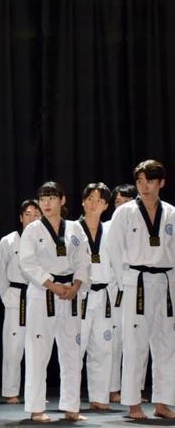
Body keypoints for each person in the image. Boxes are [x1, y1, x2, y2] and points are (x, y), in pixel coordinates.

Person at [105, 160, 175, 420]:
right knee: (135, 345)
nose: (143, 186)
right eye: (139, 181)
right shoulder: (125, 213)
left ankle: (162, 402)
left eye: (149, 181)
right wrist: (126, 279)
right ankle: (133, 403)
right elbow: (112, 248)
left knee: (166, 344)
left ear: (161, 183)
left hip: (166, 283)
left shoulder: (171, 213)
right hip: (137, 281)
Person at [19, 181, 89, 422]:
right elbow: (27, 263)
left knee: (72, 351)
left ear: (63, 200)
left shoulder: (75, 229)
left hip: (69, 293)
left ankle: (71, 407)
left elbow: (83, 260)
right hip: (43, 294)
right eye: (42, 198)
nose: (46, 203)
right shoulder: (32, 230)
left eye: (51, 197)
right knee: (38, 352)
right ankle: (36, 408)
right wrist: (51, 284)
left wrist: (76, 285)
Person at [0, 199, 41, 404]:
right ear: (21, 218)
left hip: (38, 294)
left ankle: (36, 392)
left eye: (36, 215)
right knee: (13, 346)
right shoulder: (9, 241)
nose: (32, 218)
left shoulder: (45, 239)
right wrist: (6, 295)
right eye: (28, 214)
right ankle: (11, 391)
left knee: (38, 346)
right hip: (16, 296)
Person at [77, 183, 116, 411]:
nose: (94, 203)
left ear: (106, 205)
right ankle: (70, 399)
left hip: (104, 295)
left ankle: (99, 398)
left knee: (102, 348)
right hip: (79, 295)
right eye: (90, 198)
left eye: (99, 200)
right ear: (83, 201)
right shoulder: (71, 229)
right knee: (75, 349)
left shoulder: (110, 232)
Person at [107, 183, 139, 403]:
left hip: (137, 285)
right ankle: (111, 388)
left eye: (126, 202)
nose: (121, 206)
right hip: (112, 287)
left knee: (134, 340)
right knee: (113, 340)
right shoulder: (106, 226)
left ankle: (132, 389)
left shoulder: (143, 223)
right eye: (117, 202)